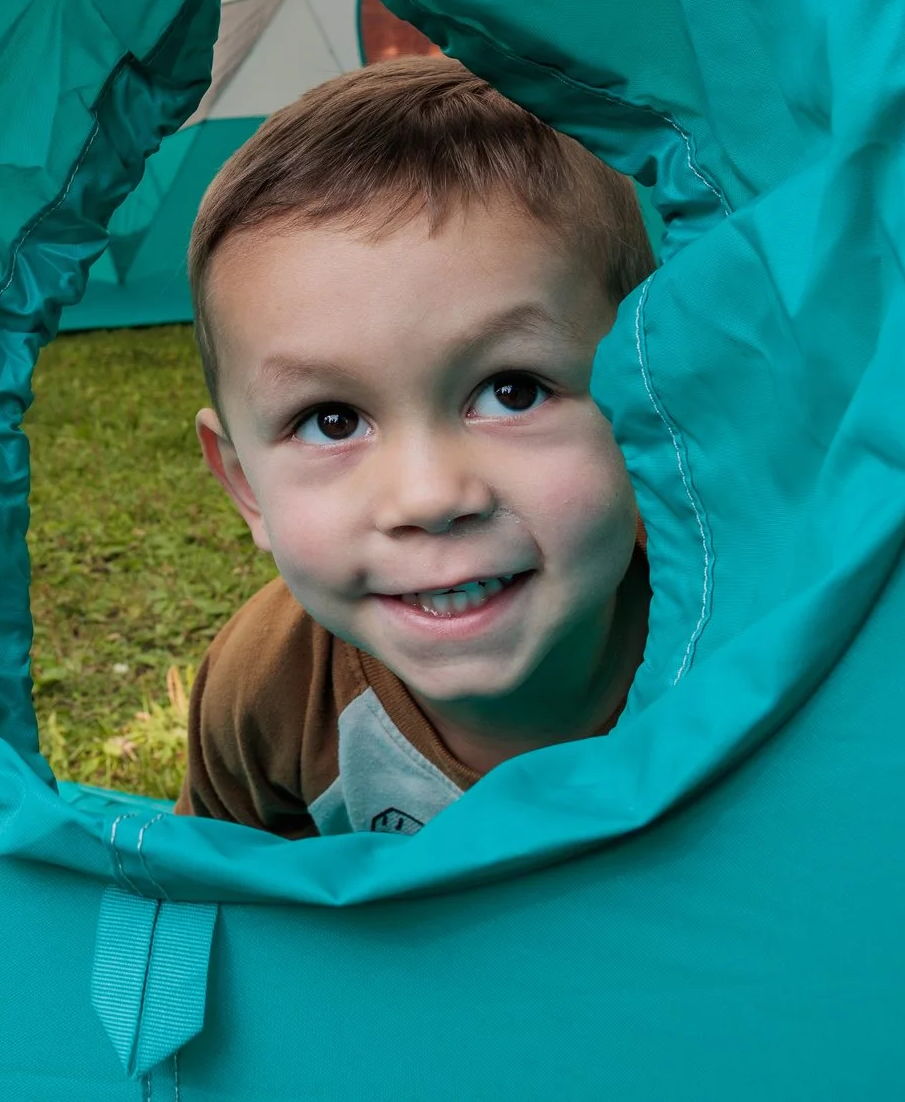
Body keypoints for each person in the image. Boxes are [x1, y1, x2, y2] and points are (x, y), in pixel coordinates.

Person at [177, 55, 657, 837]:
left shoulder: (732, 630)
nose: (430, 495)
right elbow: (226, 900)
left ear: (648, 406)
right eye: (333, 420)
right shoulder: (267, 694)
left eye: (513, 390)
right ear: (247, 488)